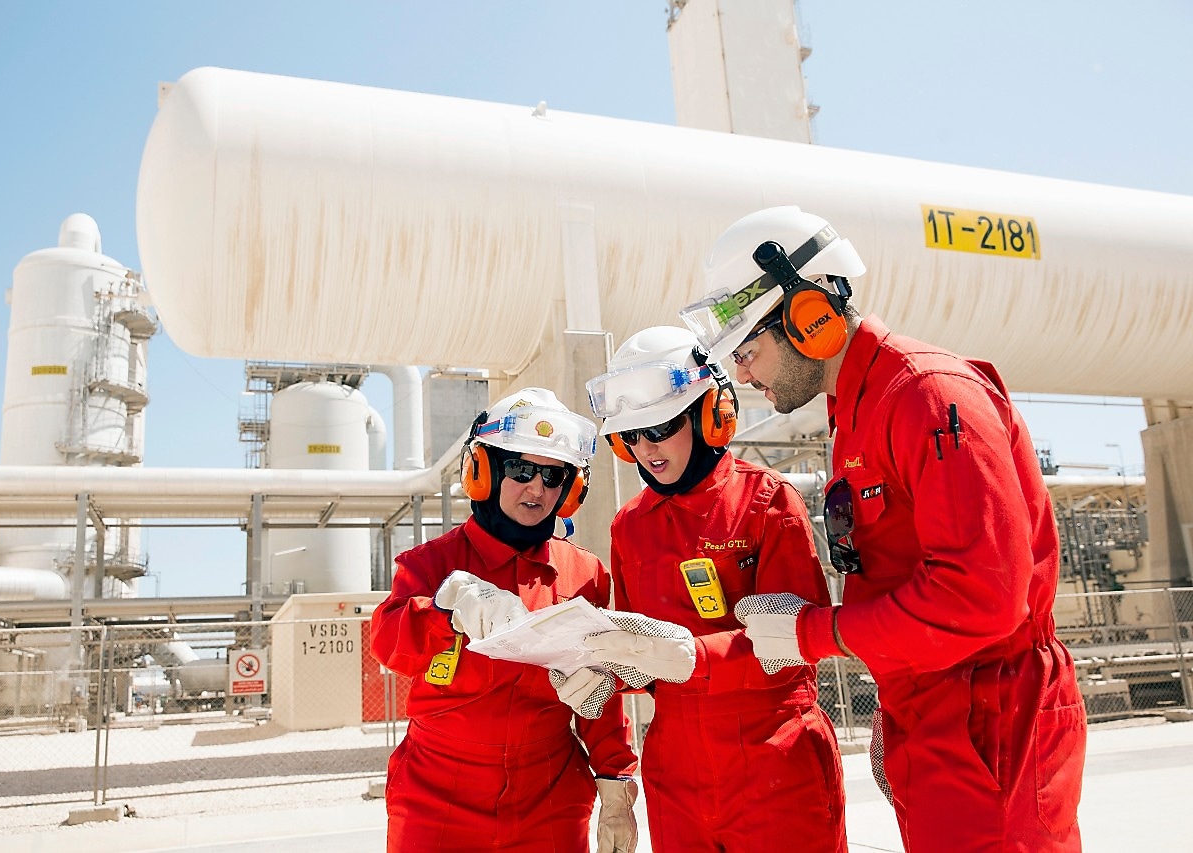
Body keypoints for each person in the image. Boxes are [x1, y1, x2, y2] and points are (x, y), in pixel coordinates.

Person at [679, 205, 1087, 851]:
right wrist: (898, 704)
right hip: (934, 712)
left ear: (807, 317)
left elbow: (981, 595)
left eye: (748, 351)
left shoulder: (927, 395)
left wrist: (813, 631)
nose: (746, 377)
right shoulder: (860, 413)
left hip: (993, 722)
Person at [370, 387, 693, 853]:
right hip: (437, 795)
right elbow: (389, 645)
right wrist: (443, 610)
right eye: (522, 470)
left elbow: (598, 695)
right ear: (485, 472)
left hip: (550, 795)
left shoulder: (585, 573)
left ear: (571, 490)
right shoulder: (431, 566)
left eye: (554, 476)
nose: (537, 488)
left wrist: (616, 784)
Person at [579, 326, 847, 853]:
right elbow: (638, 656)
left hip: (775, 757)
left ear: (710, 414)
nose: (645, 449)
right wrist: (601, 667)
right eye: (630, 436)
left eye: (659, 427)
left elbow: (797, 646)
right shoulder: (629, 525)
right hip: (675, 771)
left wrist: (693, 657)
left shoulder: (767, 500)